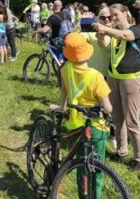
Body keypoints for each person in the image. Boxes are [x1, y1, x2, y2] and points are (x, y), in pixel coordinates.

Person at [49, 32, 113, 196]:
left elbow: (64, 91)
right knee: (96, 167)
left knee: (81, 166)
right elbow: (108, 108)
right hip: (96, 127)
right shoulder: (96, 77)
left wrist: (62, 108)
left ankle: (81, 194)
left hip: (75, 124)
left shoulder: (66, 69)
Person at [93, 3, 140, 172]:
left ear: (125, 13)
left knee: (132, 121)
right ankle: (121, 151)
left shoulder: (135, 30)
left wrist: (105, 28)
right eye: (111, 15)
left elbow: (126, 35)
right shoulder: (113, 32)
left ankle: (139, 159)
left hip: (131, 80)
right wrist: (101, 33)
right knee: (117, 118)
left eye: (115, 15)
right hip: (114, 78)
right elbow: (102, 44)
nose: (113, 18)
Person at [79, 7, 113, 77]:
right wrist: (81, 24)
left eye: (109, 17)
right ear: (98, 19)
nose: (106, 20)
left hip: (114, 75)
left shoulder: (118, 31)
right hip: (96, 73)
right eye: (103, 18)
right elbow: (77, 39)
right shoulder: (91, 32)